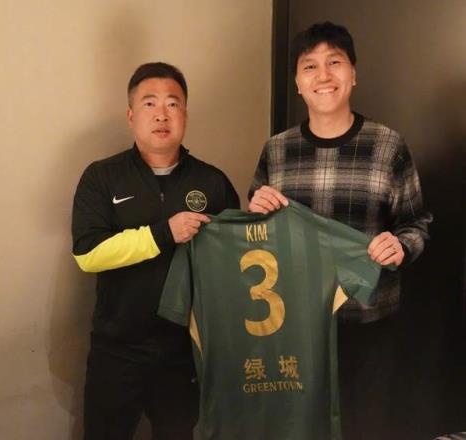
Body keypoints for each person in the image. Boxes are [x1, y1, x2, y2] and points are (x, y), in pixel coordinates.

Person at [248, 21, 432, 438]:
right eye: (309, 66)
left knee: (365, 425)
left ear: (353, 74)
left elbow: (417, 222)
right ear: (297, 82)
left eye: (334, 62)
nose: (323, 75)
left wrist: (401, 246)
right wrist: (255, 209)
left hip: (369, 322)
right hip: (294, 325)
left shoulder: (388, 145)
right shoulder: (277, 150)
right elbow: (259, 233)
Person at [71, 62, 239, 440]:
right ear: (131, 116)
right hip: (117, 351)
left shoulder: (212, 181)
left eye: (172, 104)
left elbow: (233, 265)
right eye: (149, 104)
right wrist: (165, 233)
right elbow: (88, 254)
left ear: (185, 115)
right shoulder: (101, 177)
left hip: (183, 353)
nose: (162, 114)